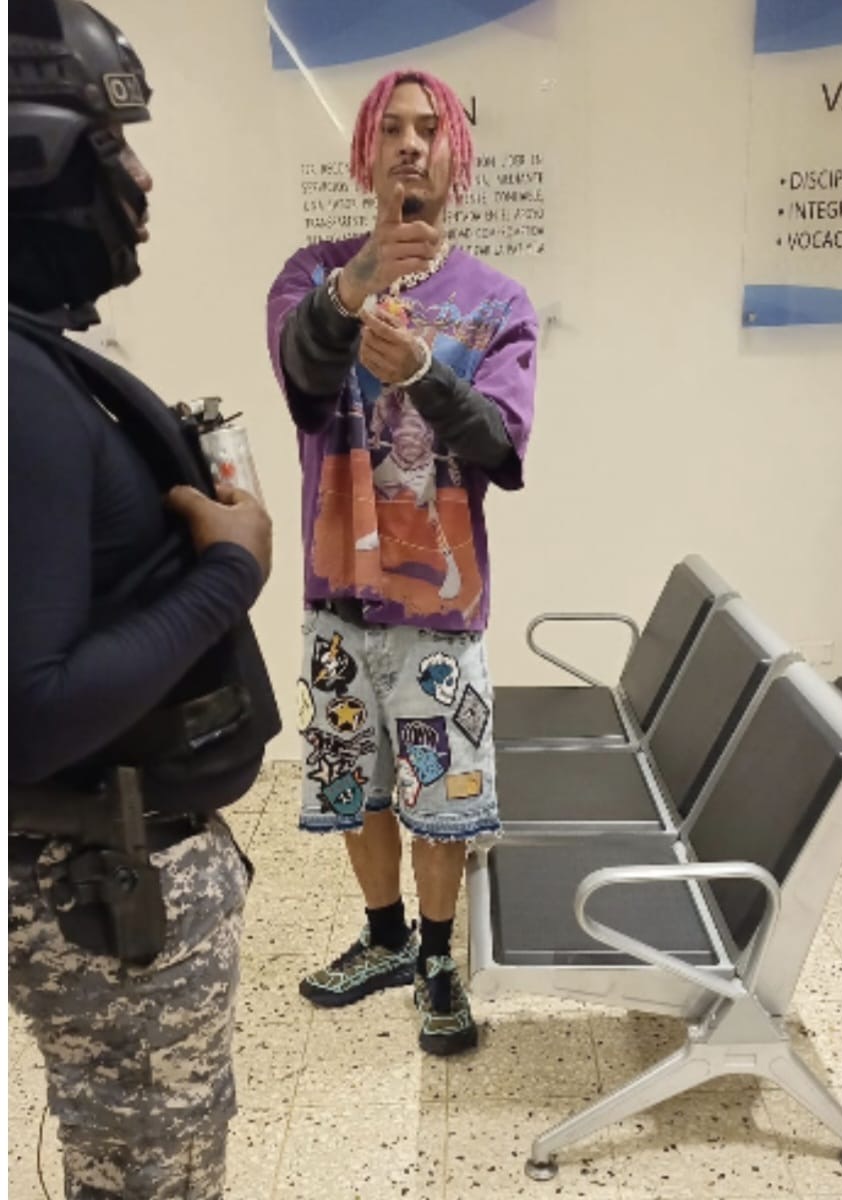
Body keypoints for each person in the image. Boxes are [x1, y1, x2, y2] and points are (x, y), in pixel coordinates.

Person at [8, 2, 280, 1196]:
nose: (143, 176)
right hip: (98, 880)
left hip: (116, 866)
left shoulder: (35, 361)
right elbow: (27, 716)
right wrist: (231, 571)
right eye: (114, 144)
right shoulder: (17, 388)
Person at [267, 68, 537, 1055]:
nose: (411, 145)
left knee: (442, 799)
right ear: (366, 155)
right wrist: (354, 286)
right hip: (335, 594)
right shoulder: (309, 277)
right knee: (357, 783)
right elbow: (303, 379)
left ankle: (435, 958)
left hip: (439, 607)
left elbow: (501, 447)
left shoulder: (497, 301)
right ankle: (383, 938)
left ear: (456, 153)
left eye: (429, 129)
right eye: (392, 129)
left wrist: (425, 373)